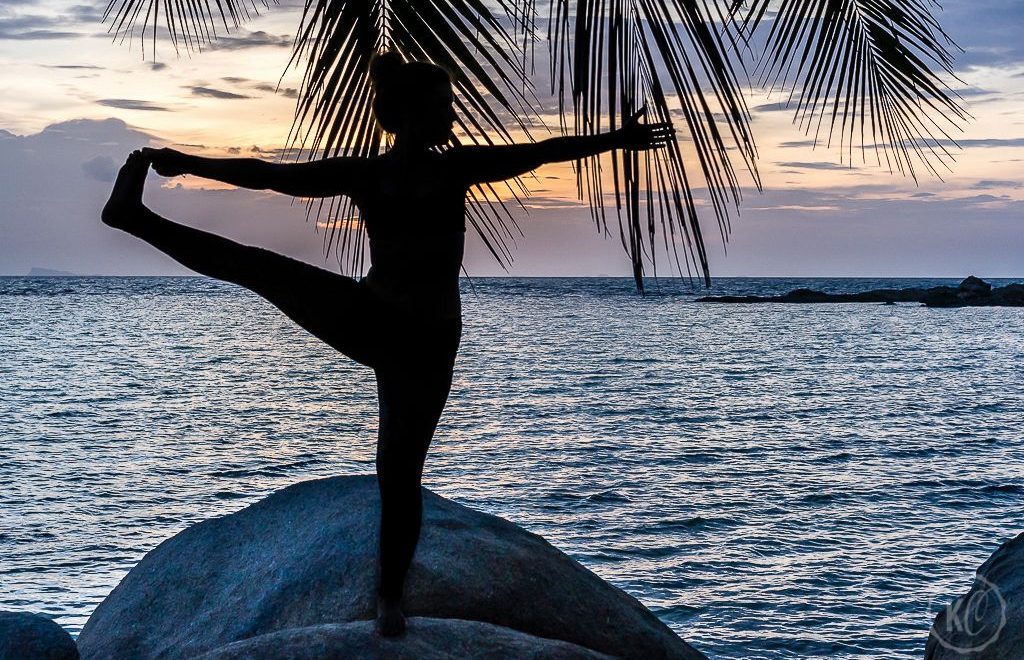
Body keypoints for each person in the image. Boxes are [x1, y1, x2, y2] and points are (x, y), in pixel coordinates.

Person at [101, 51, 673, 636]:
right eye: (443, 107)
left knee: (396, 466)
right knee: (265, 277)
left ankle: (389, 598)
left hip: (400, 335)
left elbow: (541, 152)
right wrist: (185, 161)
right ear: (408, 116)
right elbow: (269, 174)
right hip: (394, 326)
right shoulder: (404, 172)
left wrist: (617, 139)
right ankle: (134, 218)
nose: (452, 117)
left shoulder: (419, 170)